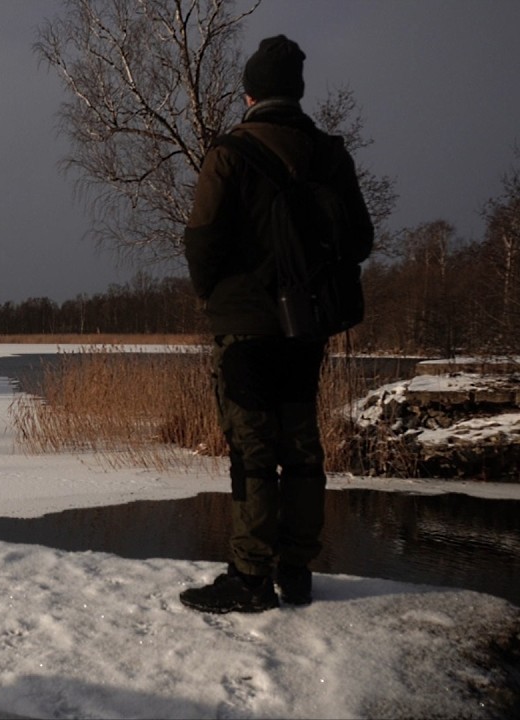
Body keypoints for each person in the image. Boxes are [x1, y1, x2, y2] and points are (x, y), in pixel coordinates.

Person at [179, 35, 374, 613]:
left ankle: (250, 575)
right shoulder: (329, 154)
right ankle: (297, 568)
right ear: (297, 92)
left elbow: (201, 240)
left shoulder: (231, 152)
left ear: (249, 94)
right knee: (302, 443)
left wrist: (215, 294)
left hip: (247, 327)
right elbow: (359, 240)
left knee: (253, 449)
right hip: (307, 325)